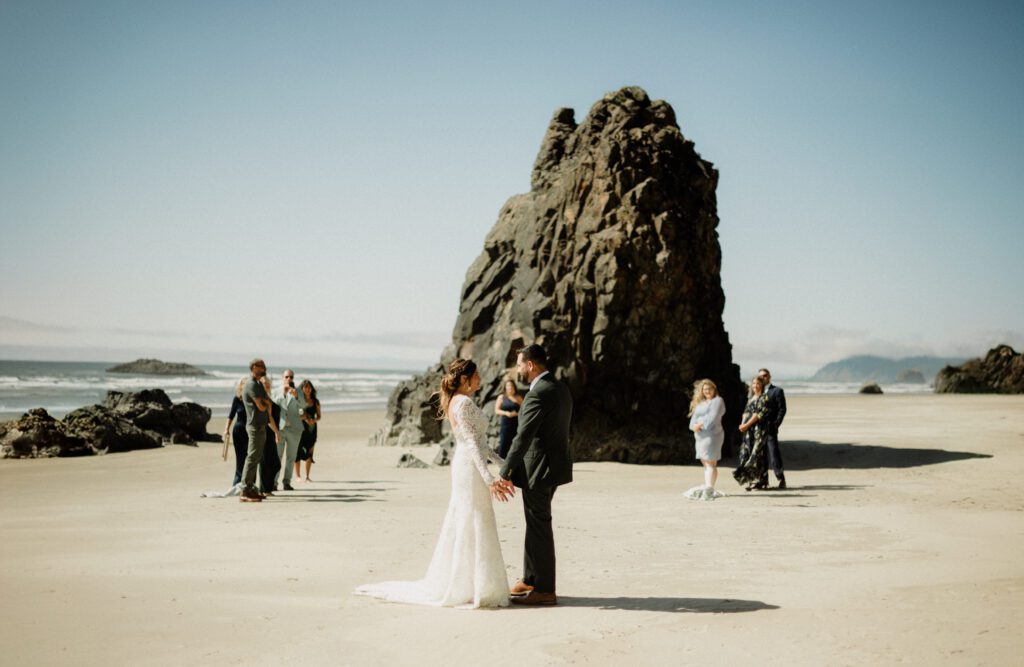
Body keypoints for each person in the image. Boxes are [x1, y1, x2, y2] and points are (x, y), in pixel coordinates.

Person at [355, 358, 513, 608]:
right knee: (470, 520)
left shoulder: (455, 401)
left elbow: (480, 444)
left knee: (470, 519)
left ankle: (473, 584)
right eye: (476, 375)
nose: (480, 379)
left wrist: (502, 463)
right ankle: (470, 586)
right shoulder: (464, 403)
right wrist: (489, 478)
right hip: (469, 467)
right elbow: (473, 444)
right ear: (464, 379)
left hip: (466, 463)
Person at [499, 344, 573, 607]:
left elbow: (522, 437)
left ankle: (544, 589)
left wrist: (505, 471)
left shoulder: (537, 393)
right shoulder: (560, 387)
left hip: (538, 469)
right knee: (535, 523)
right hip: (555, 466)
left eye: (520, 364)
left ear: (530, 365)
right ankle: (531, 578)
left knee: (539, 525)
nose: (518, 369)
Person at [239, 359, 276, 503]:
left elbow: (268, 402)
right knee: (252, 457)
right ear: (254, 368)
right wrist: (265, 402)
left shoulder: (259, 384)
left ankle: (251, 488)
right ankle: (244, 490)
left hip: (261, 425)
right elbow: (261, 406)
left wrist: (265, 402)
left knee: (257, 457)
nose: (264, 369)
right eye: (262, 367)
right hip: (254, 425)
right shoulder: (251, 385)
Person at [684, 379, 726, 501]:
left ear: (714, 389)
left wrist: (700, 425)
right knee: (706, 462)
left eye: (710, 388)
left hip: (712, 435)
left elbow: (711, 420)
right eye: (705, 389)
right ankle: (710, 486)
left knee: (710, 462)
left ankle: (709, 487)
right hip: (700, 437)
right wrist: (694, 426)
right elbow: (692, 422)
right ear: (702, 391)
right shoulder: (700, 403)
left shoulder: (718, 401)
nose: (707, 391)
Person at [733, 376, 769, 491]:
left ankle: (761, 481)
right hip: (748, 431)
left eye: (758, 384)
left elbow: (758, 415)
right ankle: (751, 480)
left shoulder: (764, 397)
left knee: (757, 455)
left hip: (759, 430)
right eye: (753, 384)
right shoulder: (751, 398)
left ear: (762, 385)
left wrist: (746, 425)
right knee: (746, 453)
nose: (755, 386)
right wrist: (742, 424)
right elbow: (746, 413)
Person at [274, 369, 305, 491]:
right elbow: (273, 404)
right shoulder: (276, 390)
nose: (289, 379)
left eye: (291, 377)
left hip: (294, 429)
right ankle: (274, 482)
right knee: (277, 456)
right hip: (280, 428)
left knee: (291, 457)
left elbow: (304, 405)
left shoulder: (298, 391)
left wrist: (297, 397)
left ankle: (287, 482)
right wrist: (283, 394)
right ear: (282, 377)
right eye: (287, 377)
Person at [758, 368, 788, 490]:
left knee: (774, 453)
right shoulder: (757, 391)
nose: (763, 378)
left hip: (770, 427)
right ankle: (763, 480)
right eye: (760, 376)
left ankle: (781, 478)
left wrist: (776, 423)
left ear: (769, 376)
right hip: (758, 429)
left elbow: (782, 409)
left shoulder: (777, 391)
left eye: (765, 375)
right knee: (760, 455)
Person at [223, 377, 249, 486]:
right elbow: (231, 415)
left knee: (250, 459)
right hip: (238, 432)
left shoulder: (253, 399)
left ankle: (248, 483)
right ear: (241, 386)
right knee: (240, 459)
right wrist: (226, 429)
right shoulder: (237, 399)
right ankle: (237, 484)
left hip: (250, 432)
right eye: (244, 384)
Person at [258, 375, 282, 495]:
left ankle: (266, 488)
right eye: (263, 383)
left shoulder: (268, 398)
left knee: (274, 463)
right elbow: (268, 418)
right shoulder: (261, 399)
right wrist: (277, 432)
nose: (266, 384)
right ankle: (263, 489)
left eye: (268, 383)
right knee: (265, 462)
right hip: (265, 432)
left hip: (271, 433)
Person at [294, 379, 321, 482]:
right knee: (297, 451)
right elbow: (295, 415)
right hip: (300, 429)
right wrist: (304, 418)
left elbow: (319, 416)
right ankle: (297, 476)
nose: (308, 389)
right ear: (302, 389)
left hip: (311, 429)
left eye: (309, 387)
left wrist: (314, 420)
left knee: (310, 451)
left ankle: (307, 476)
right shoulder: (298, 401)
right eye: (305, 387)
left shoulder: (315, 401)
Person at [494, 378, 523, 458]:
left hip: (516, 424)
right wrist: (507, 413)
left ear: (514, 387)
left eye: (511, 385)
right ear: (505, 387)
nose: (510, 387)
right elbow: (497, 410)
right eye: (508, 385)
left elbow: (523, 410)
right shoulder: (501, 397)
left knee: (515, 444)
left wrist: (516, 414)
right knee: (504, 444)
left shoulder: (518, 397)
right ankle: (502, 465)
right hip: (505, 424)